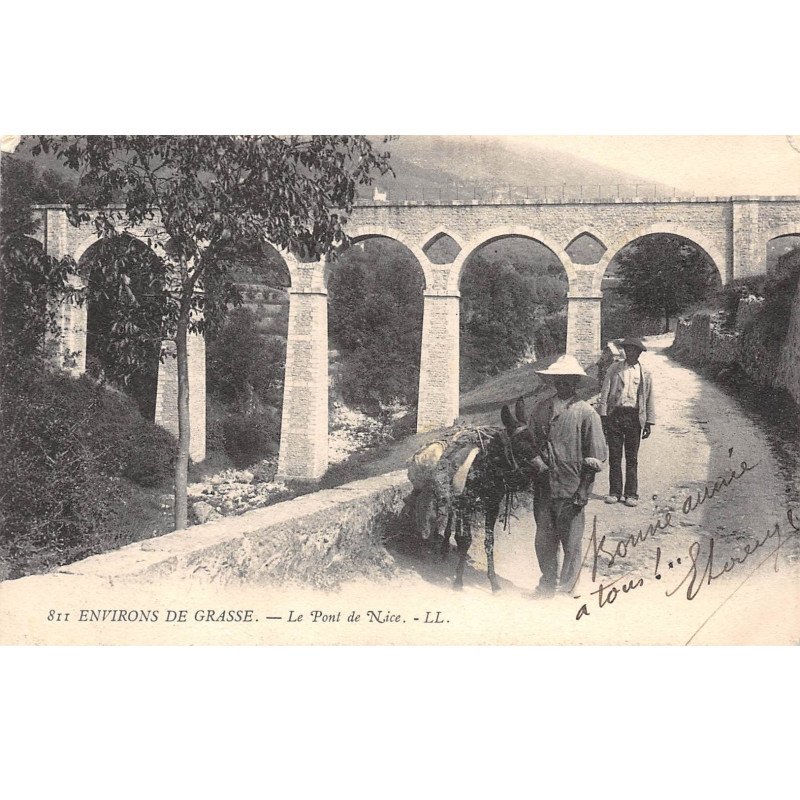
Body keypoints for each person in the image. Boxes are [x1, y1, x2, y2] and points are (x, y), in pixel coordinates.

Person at [528, 354, 607, 597]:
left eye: (568, 381)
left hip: (571, 486)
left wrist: (584, 490)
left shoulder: (586, 413)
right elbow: (528, 443)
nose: (562, 385)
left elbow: (594, 457)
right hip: (544, 486)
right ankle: (547, 583)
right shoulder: (541, 408)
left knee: (571, 542)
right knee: (544, 539)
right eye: (558, 381)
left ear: (575, 384)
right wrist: (536, 460)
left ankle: (567, 588)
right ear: (553, 382)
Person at [597, 337, 655, 508]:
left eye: (634, 350)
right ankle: (614, 492)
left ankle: (631, 494)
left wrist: (649, 422)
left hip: (634, 417)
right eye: (627, 349)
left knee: (632, 457)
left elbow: (649, 398)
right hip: (615, 415)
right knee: (615, 455)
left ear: (639, 353)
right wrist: (603, 414)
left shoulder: (645, 373)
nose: (630, 353)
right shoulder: (614, 369)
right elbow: (605, 391)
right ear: (624, 351)